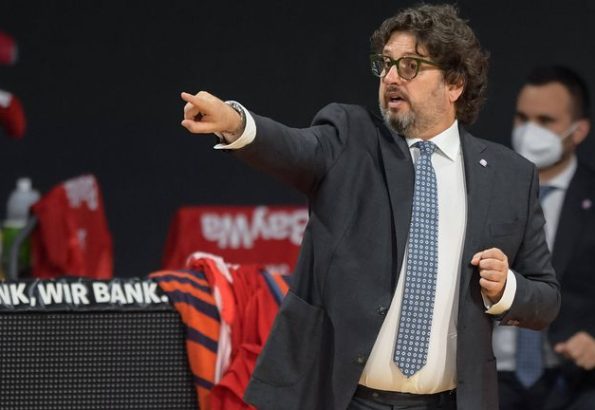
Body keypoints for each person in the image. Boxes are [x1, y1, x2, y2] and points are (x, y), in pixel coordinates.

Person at [180, 4, 560, 409]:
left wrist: (505, 289)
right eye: (386, 64)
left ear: (454, 84)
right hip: (343, 399)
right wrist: (236, 124)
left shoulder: (510, 177)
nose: (391, 77)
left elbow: (546, 298)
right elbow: (292, 148)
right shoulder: (350, 138)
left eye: (410, 66)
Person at [494, 65, 595, 410]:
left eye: (546, 121)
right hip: (492, 376)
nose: (530, 131)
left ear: (579, 131)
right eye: (523, 118)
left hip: (574, 380)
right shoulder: (484, 190)